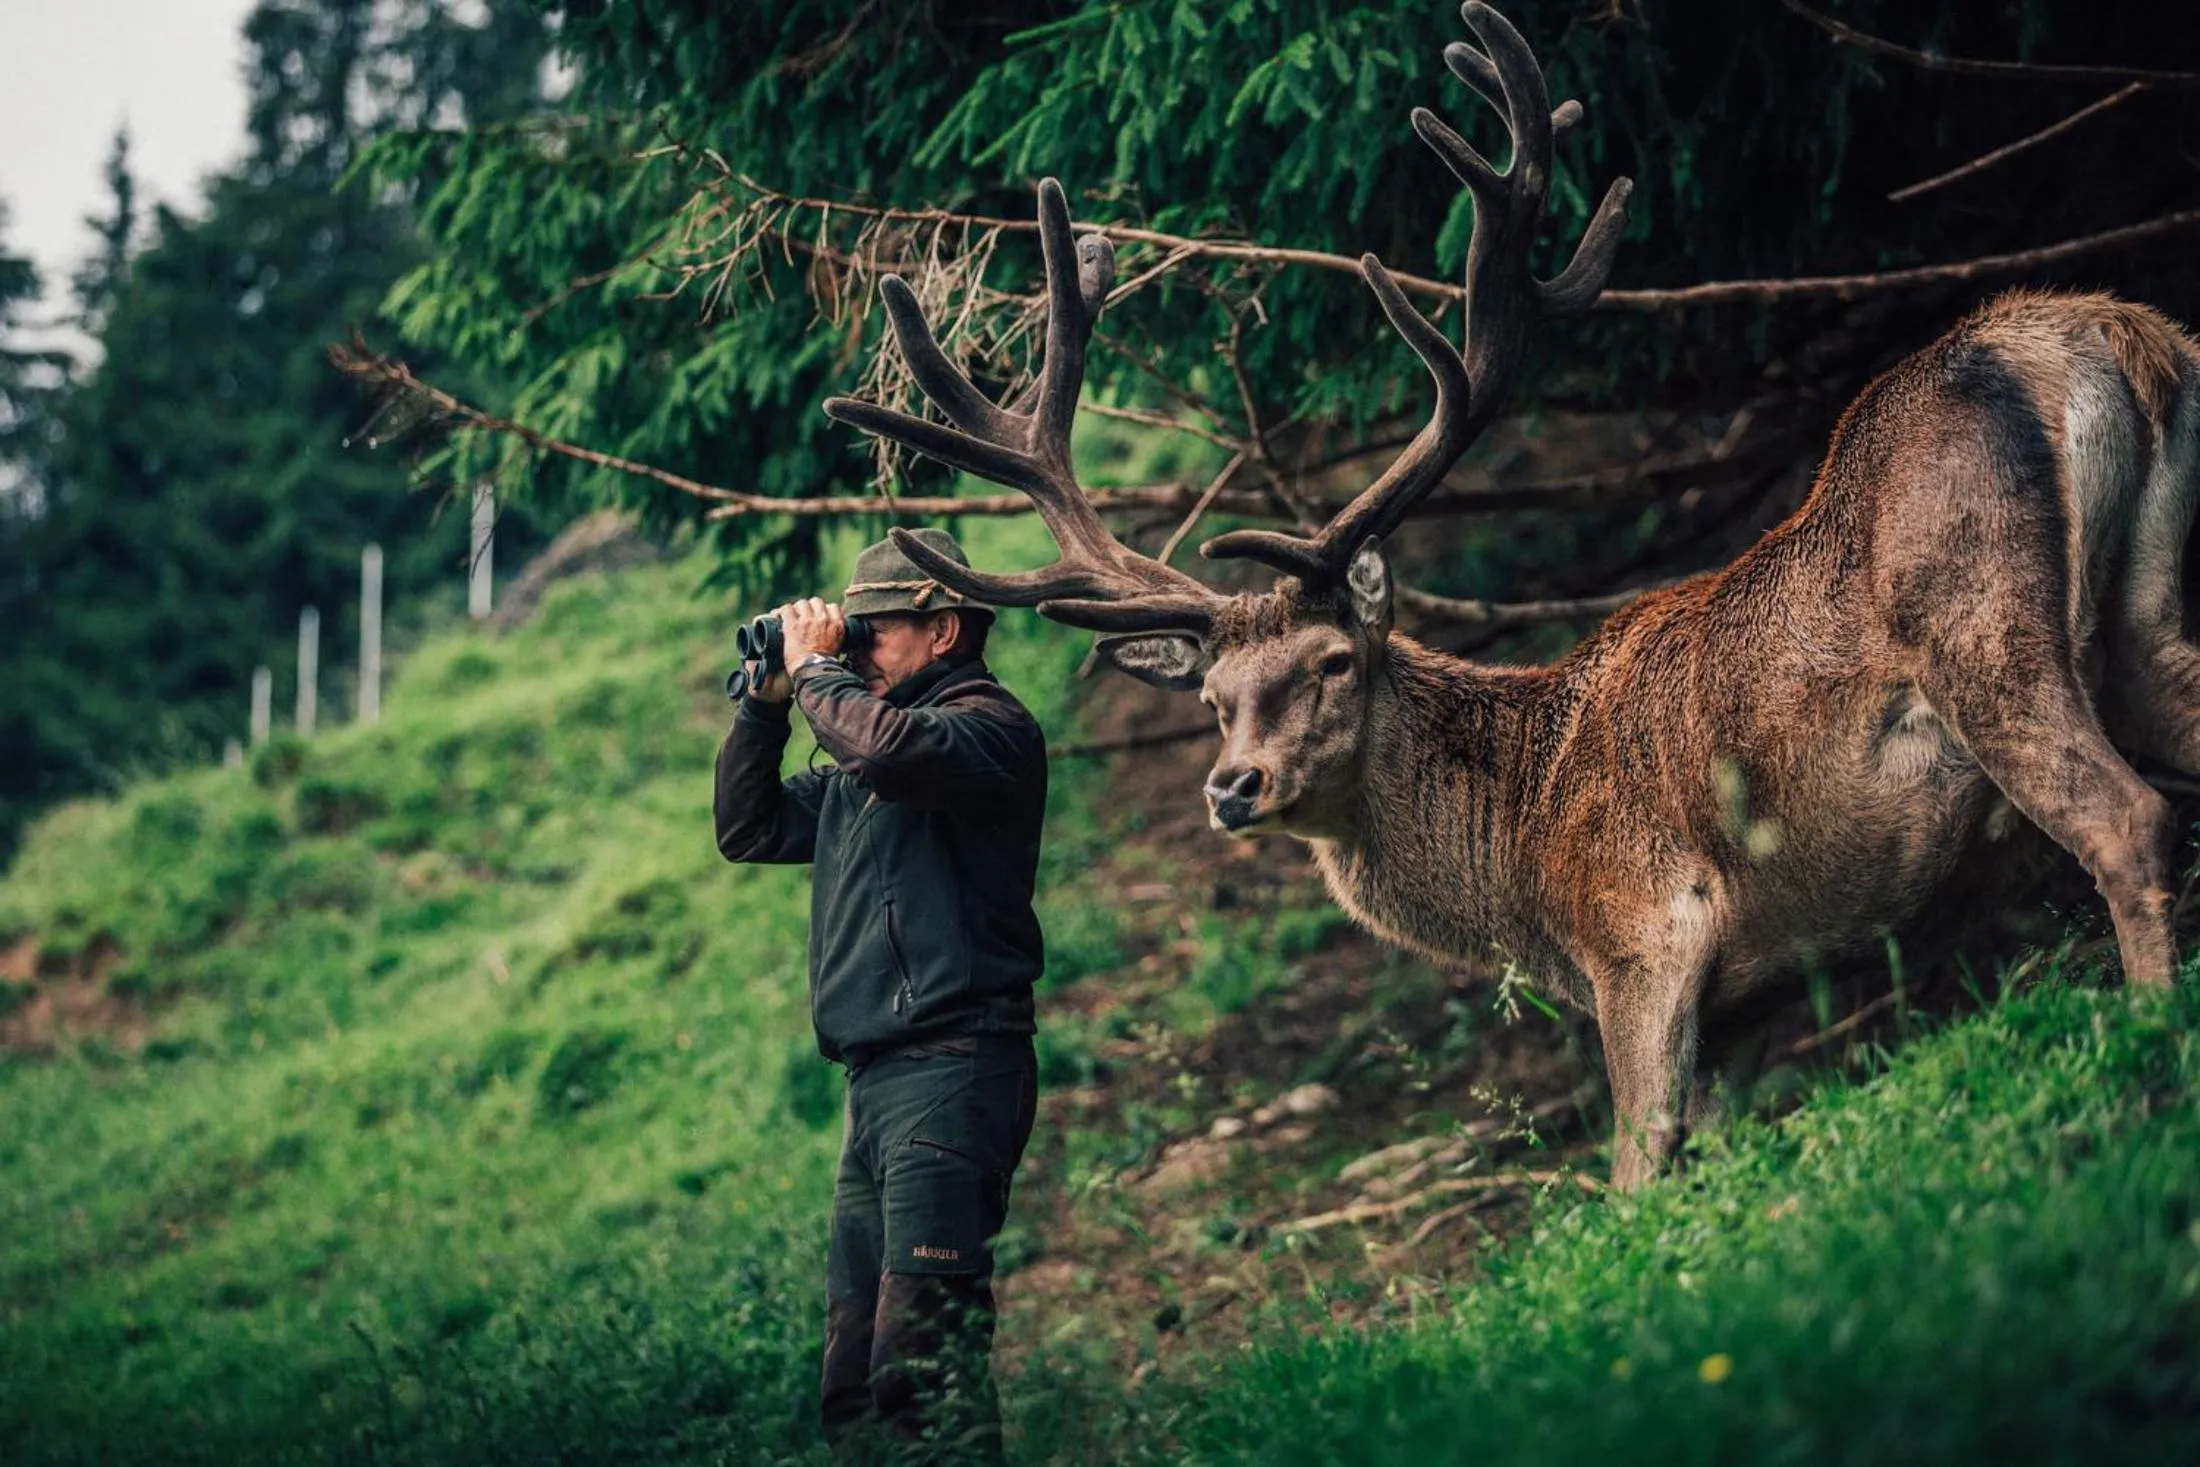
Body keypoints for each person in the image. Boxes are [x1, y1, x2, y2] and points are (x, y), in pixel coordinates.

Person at [714, 529, 1047, 1462]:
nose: (854, 650)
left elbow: (893, 751)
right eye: (846, 636)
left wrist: (820, 672)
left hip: (954, 1067)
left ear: (944, 630)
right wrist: (767, 708)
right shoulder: (866, 765)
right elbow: (748, 827)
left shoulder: (986, 729)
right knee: (855, 1386)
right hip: (877, 1089)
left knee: (924, 1372)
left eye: (872, 633)